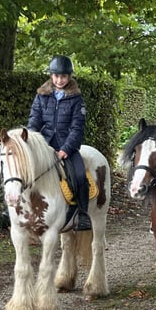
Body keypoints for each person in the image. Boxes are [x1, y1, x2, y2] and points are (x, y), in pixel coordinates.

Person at [27, 55, 91, 231]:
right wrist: (32, 142)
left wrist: (65, 149)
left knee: (80, 176)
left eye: (63, 76)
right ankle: (15, 207)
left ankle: (83, 214)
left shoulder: (76, 99)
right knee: (21, 170)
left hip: (66, 147)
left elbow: (77, 128)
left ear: (69, 77)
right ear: (51, 75)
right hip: (44, 145)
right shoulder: (41, 96)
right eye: (56, 76)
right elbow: (34, 122)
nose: (59, 80)